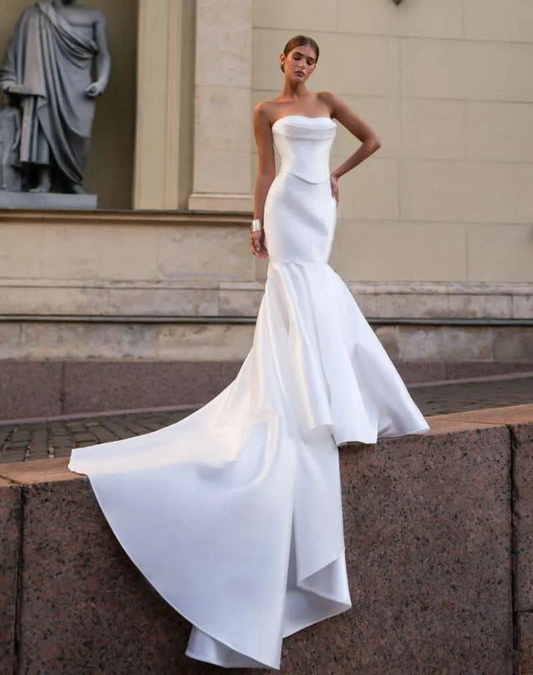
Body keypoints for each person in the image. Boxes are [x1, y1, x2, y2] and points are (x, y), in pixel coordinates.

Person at [69, 35, 429, 670]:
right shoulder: (267, 110)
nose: (304, 67)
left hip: (319, 203)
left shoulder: (328, 102)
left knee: (320, 282)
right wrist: (256, 221)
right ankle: (304, 388)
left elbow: (371, 141)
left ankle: (335, 394)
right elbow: (264, 169)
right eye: (297, 58)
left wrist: (337, 177)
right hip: (288, 203)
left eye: (312, 61)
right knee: (294, 283)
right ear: (282, 60)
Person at [0, 0, 110, 193]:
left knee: (80, 135)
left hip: (79, 86)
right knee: (42, 125)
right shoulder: (33, 14)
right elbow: (15, 50)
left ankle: (73, 180)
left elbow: (103, 54)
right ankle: (43, 181)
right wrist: (9, 80)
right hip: (41, 83)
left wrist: (102, 80)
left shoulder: (93, 15)